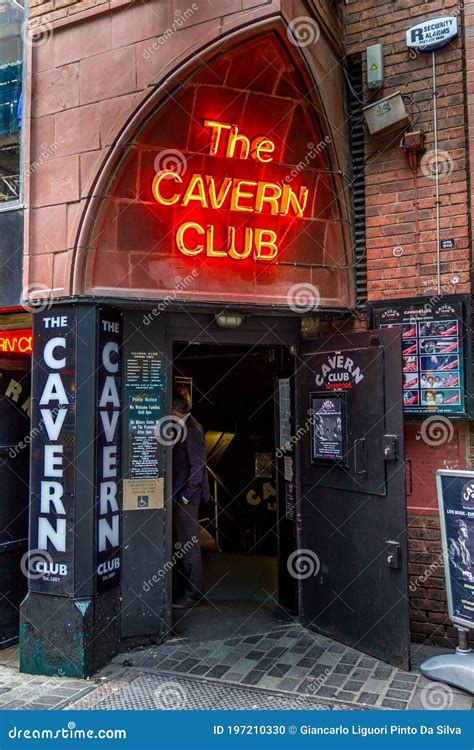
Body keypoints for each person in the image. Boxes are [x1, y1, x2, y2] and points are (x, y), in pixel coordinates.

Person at [171, 388, 209, 609]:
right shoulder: (185, 426)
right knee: (184, 543)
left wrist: (185, 497)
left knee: (188, 545)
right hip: (182, 496)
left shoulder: (192, 429)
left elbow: (198, 467)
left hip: (187, 499)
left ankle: (194, 594)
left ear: (174, 408)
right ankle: (188, 590)